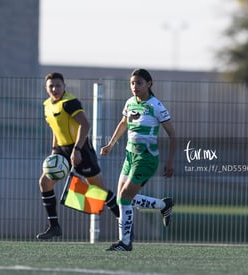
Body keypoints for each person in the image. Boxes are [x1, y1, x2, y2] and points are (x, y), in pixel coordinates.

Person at [37, 72, 120, 240]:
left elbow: (85, 124)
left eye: (58, 85)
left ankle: (125, 221)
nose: (55, 89)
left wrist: (77, 149)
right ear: (46, 89)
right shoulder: (47, 105)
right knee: (45, 182)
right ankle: (54, 226)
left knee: (100, 192)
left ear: (64, 86)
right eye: (51, 86)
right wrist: (54, 151)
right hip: (61, 151)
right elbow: (55, 129)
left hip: (81, 149)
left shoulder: (70, 102)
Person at [100, 68, 176, 251]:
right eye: (132, 83)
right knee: (122, 199)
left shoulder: (156, 106)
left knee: (125, 198)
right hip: (129, 156)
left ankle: (125, 243)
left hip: (146, 158)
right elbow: (124, 122)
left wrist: (170, 161)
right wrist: (110, 144)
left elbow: (173, 136)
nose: (135, 86)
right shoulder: (130, 103)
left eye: (139, 83)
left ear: (149, 84)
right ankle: (163, 205)